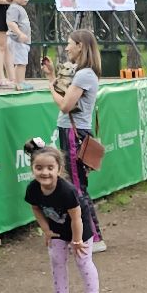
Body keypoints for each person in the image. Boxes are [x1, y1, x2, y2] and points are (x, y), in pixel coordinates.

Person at [24, 139, 104, 293]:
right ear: (32, 169)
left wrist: (77, 240)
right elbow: (36, 208)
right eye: (39, 168)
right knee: (57, 260)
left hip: (80, 229)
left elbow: (76, 217)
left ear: (59, 170)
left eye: (50, 168)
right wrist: (46, 230)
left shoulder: (67, 191)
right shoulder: (33, 189)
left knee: (83, 261)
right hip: (57, 230)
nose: (45, 172)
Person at [50, 27, 105, 251]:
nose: (67, 48)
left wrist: (50, 89)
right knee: (76, 185)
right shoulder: (83, 73)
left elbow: (65, 105)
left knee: (77, 188)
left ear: (80, 46)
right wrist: (51, 77)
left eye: (70, 43)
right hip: (73, 132)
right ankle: (84, 235)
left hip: (74, 134)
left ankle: (94, 238)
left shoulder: (83, 75)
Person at [5, 0, 34, 88]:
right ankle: (19, 83)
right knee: (20, 62)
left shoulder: (18, 8)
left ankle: (21, 81)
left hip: (21, 41)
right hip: (17, 40)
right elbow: (11, 23)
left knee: (22, 62)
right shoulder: (14, 8)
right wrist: (20, 33)